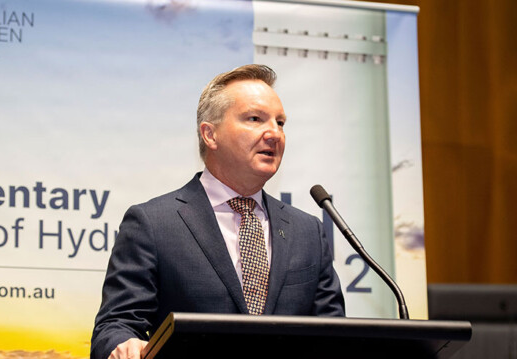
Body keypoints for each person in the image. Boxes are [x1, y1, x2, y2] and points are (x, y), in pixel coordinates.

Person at [90, 64, 345, 359]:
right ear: (210, 135)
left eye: (281, 122)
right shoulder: (153, 224)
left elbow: (334, 335)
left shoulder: (308, 231)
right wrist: (124, 344)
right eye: (255, 119)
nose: (274, 133)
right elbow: (116, 325)